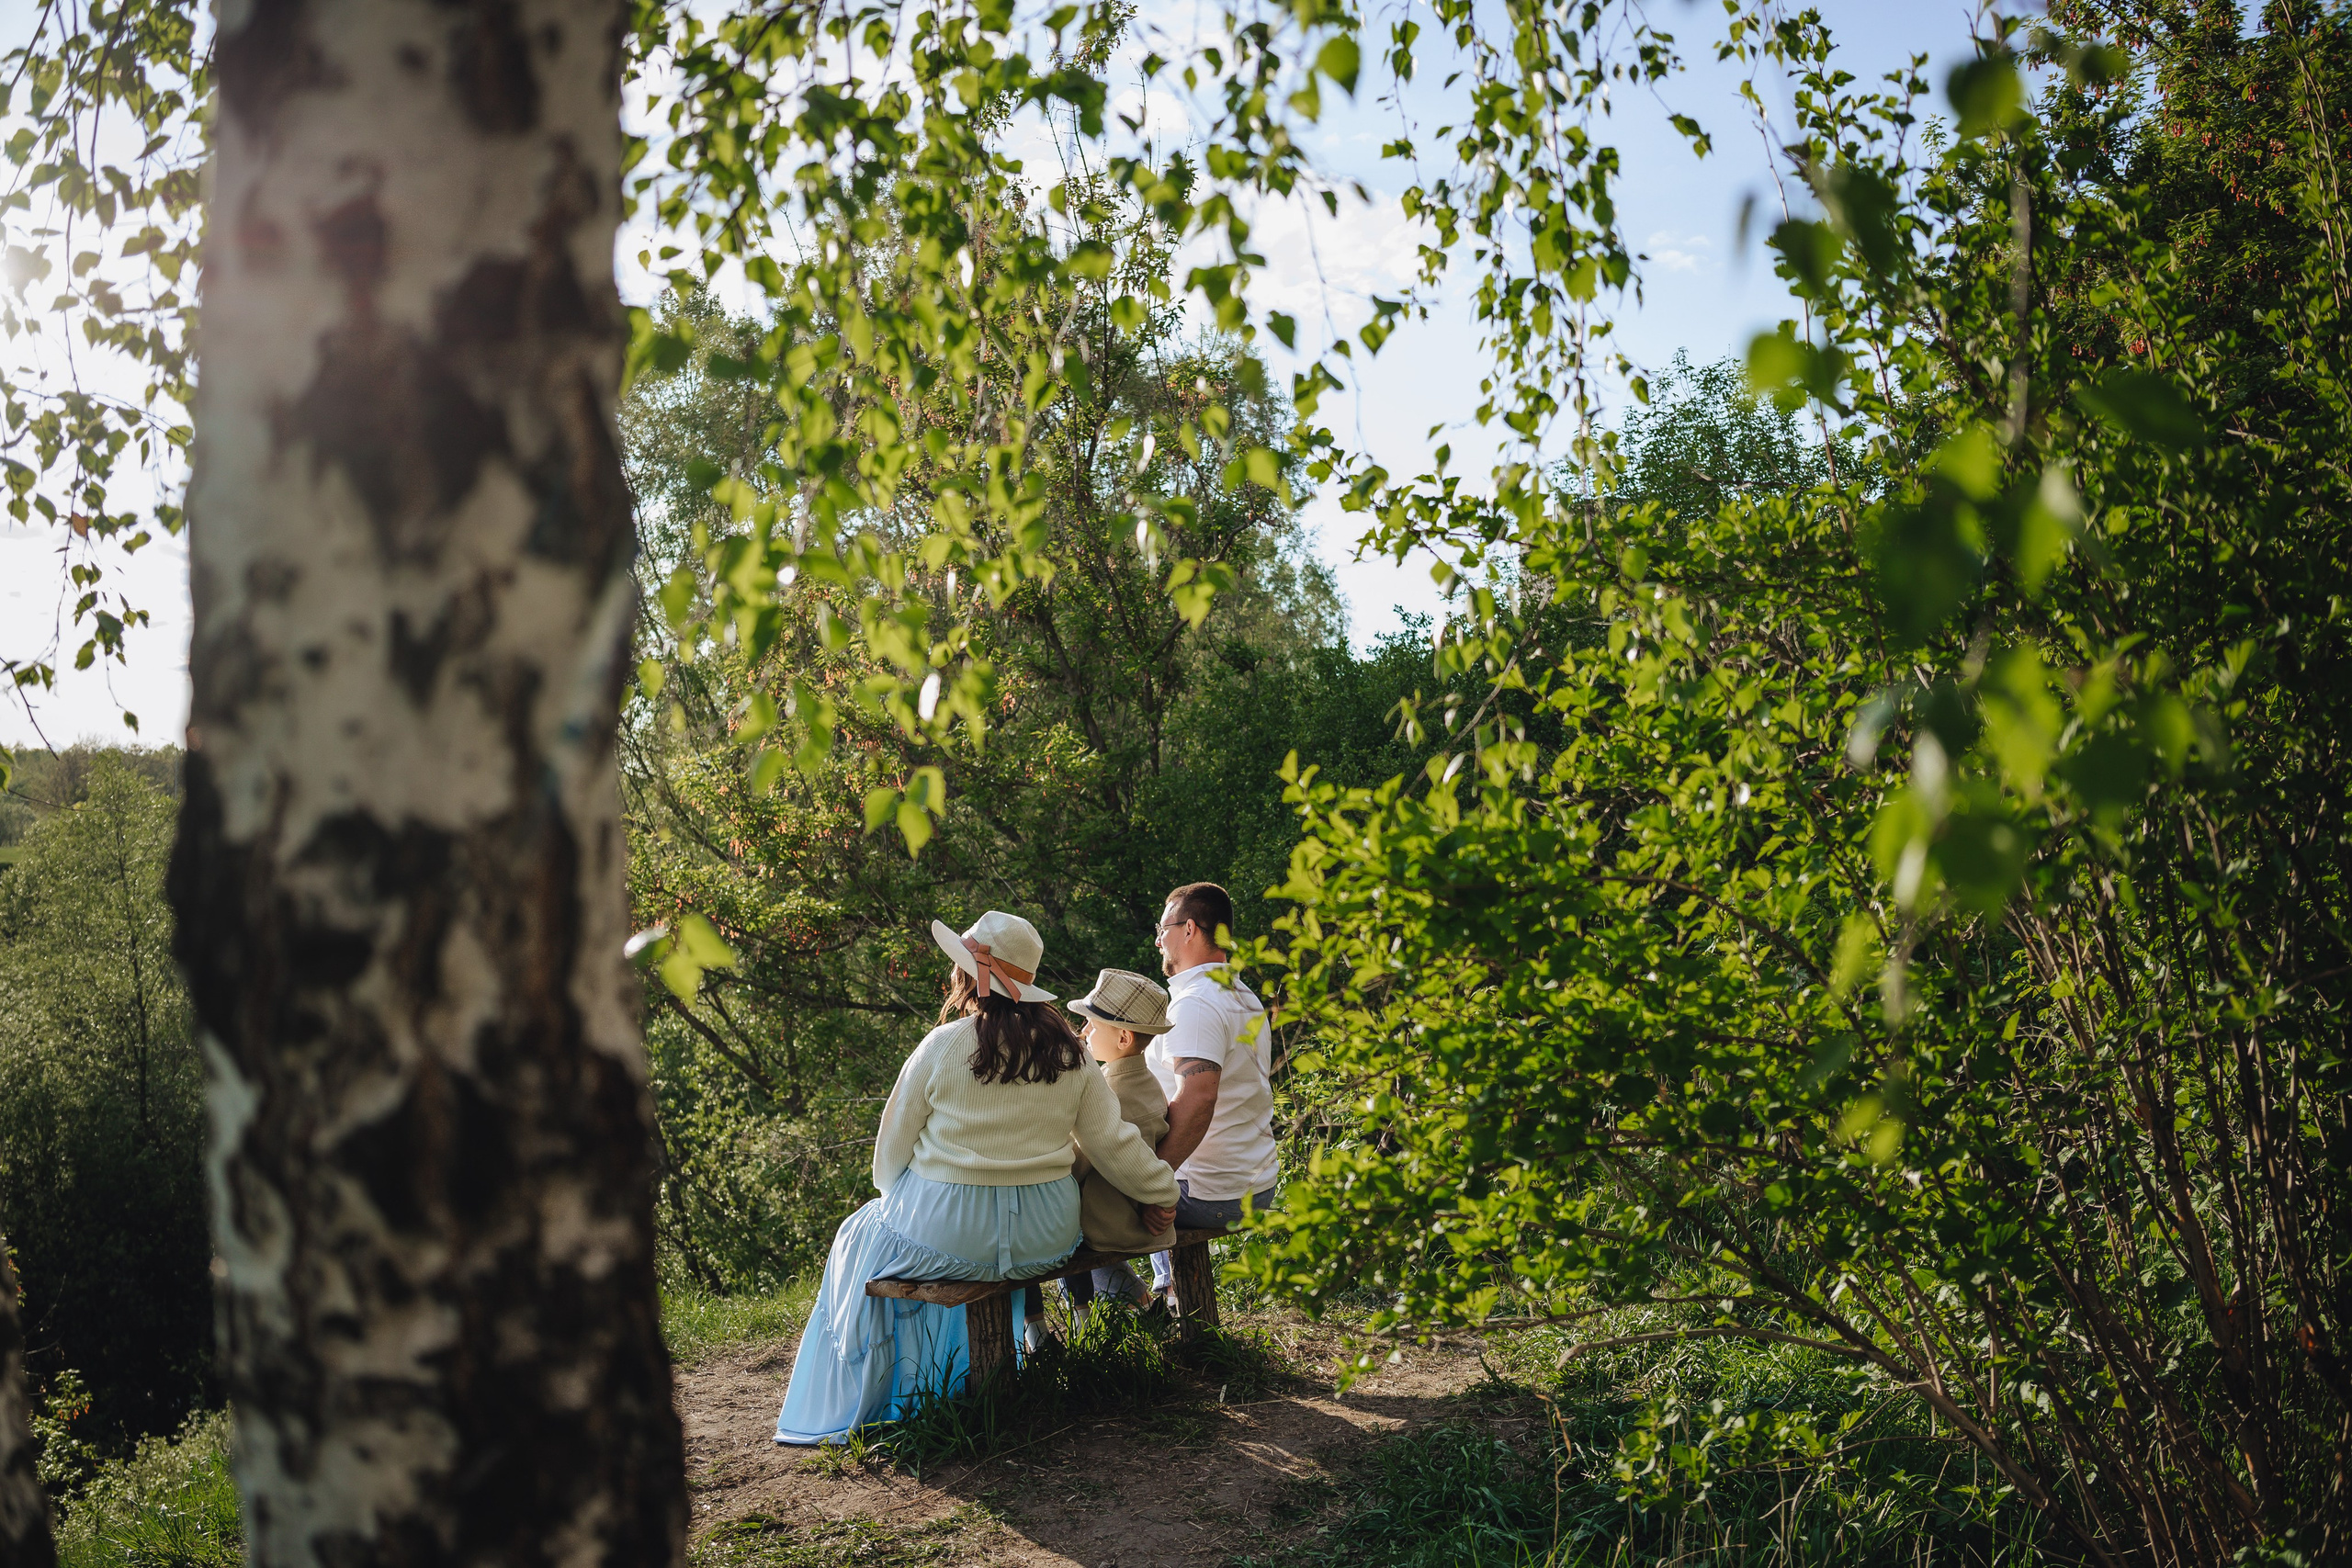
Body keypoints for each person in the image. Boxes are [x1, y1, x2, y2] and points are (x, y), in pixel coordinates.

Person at [774, 910, 1179, 1445]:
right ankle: (968, 1377)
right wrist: (1161, 1194)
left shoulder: (943, 1045)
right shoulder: (1070, 1052)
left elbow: (887, 1160)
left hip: (951, 1232)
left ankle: (899, 1393)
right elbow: (1114, 1143)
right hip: (1044, 1238)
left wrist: (907, 1199)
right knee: (903, 1235)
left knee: (859, 1234)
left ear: (971, 977)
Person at [1133, 883, 1280, 1307]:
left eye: (1162, 930)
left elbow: (1199, 1100)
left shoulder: (1196, 1003)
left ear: (1190, 929)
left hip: (1209, 1192)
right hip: (1255, 1182)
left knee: (1078, 1201)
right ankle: (1166, 1291)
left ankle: (1138, 1303)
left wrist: (1154, 1183)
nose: (1158, 941)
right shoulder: (1242, 995)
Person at [1057, 968, 1177, 1326]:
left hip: (1114, 1221)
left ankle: (1090, 1320)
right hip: (1134, 1211)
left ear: (1123, 1037)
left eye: (1092, 1025)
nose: (1084, 1032)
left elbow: (1076, 1165)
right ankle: (1139, 1306)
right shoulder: (1147, 1083)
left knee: (1050, 1230)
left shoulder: (1109, 1094)